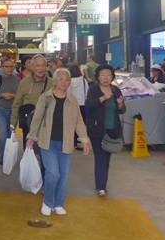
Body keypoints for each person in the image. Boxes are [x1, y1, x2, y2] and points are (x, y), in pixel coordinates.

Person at [26, 68, 91, 216]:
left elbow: (79, 121)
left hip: (66, 143)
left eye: (67, 79)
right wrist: (32, 136)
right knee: (53, 173)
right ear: (54, 81)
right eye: (60, 79)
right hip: (47, 142)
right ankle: (48, 202)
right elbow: (37, 118)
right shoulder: (46, 97)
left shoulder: (72, 100)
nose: (64, 82)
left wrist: (84, 139)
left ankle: (59, 203)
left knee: (63, 175)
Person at [85, 64, 126, 196]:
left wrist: (120, 104)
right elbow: (88, 105)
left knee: (107, 158)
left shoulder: (116, 90)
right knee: (100, 157)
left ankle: (102, 184)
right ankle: (100, 187)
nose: (105, 78)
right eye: (102, 75)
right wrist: (102, 98)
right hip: (97, 129)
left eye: (108, 75)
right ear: (98, 77)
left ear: (112, 77)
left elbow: (122, 110)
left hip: (112, 128)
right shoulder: (93, 89)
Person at [10, 54, 52, 149]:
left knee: (45, 156)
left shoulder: (52, 83)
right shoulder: (24, 82)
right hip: (28, 125)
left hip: (47, 126)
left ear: (46, 67)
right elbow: (17, 103)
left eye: (43, 65)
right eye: (37, 65)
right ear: (32, 67)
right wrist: (13, 124)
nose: (40, 69)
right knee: (29, 153)